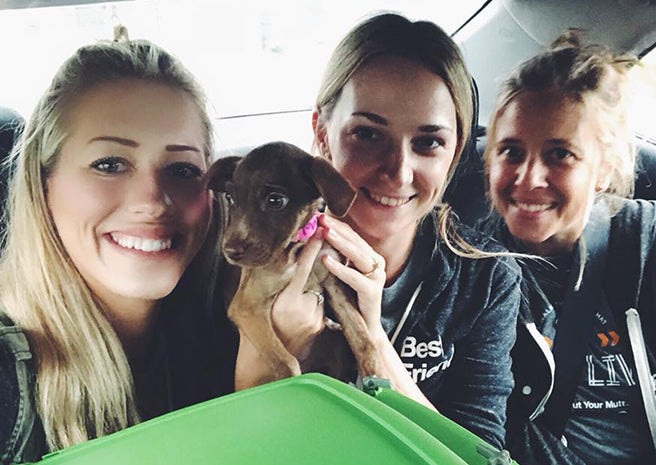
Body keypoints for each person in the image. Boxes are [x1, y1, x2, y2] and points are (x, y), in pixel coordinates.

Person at [234, 12, 522, 452]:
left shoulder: (484, 279)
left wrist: (373, 338)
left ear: (456, 151)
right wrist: (270, 348)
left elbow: (475, 453)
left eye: (428, 143)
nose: (398, 171)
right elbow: (236, 445)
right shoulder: (254, 246)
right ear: (322, 134)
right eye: (367, 134)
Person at [483, 31, 656, 464]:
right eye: (512, 152)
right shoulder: (476, 267)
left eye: (560, 154)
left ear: (604, 165)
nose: (528, 178)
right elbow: (488, 432)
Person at [0, 39, 238, 463]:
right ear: (43, 182)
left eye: (182, 169)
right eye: (109, 164)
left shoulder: (223, 328)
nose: (152, 200)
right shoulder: (7, 376)